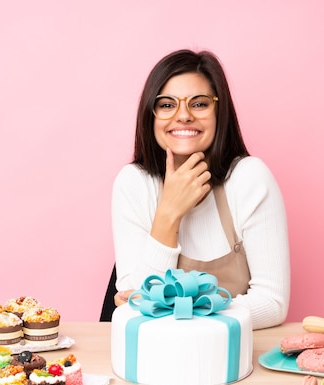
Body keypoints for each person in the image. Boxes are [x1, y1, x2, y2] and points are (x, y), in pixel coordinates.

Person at [111, 49, 290, 329]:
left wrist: (177, 309)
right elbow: (133, 307)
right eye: (167, 105)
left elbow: (272, 304)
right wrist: (169, 212)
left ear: (220, 112)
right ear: (150, 114)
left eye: (199, 104)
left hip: (233, 361)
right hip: (154, 360)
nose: (183, 116)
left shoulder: (249, 178)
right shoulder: (133, 183)